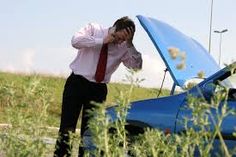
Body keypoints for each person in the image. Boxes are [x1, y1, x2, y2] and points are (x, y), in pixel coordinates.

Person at [54, 16, 142, 157]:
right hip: (77, 83)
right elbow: (75, 41)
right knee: (67, 129)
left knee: (90, 133)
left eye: (124, 40)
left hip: (98, 90)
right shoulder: (94, 29)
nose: (120, 42)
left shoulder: (125, 47)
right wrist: (102, 41)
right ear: (114, 29)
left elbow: (136, 67)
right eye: (119, 38)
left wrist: (130, 44)